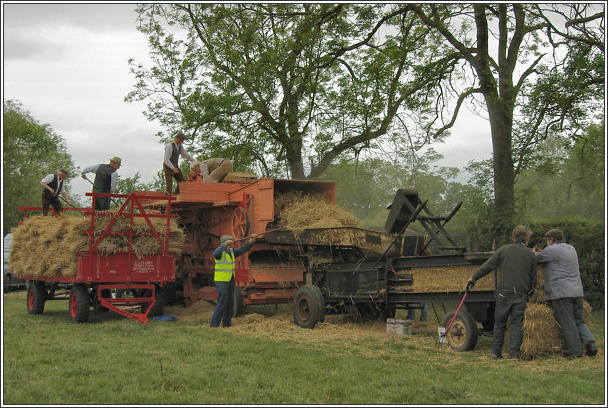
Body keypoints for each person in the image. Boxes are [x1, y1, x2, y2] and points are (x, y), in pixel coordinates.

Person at [467, 225, 537, 359]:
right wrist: (531, 294)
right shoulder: (531, 254)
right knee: (517, 324)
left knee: (499, 323)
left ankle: (495, 353)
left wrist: (474, 278)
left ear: (513, 237)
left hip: (503, 292)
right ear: (527, 239)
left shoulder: (503, 250)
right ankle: (514, 355)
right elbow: (534, 279)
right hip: (521, 293)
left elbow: (488, 266)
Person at [534, 229, 597, 358]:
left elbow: (535, 258)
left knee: (568, 322)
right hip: (577, 291)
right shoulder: (571, 248)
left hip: (561, 292)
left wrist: (533, 252)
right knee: (580, 321)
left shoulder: (551, 250)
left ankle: (576, 353)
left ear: (551, 240)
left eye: (547, 240)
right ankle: (590, 343)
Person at [210, 234, 255, 328]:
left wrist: (250, 241)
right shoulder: (219, 252)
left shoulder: (231, 252)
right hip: (221, 280)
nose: (232, 244)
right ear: (225, 242)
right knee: (222, 301)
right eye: (230, 242)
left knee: (230, 302)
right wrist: (224, 245)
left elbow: (242, 249)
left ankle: (226, 324)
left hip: (230, 279)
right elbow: (215, 253)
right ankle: (214, 324)